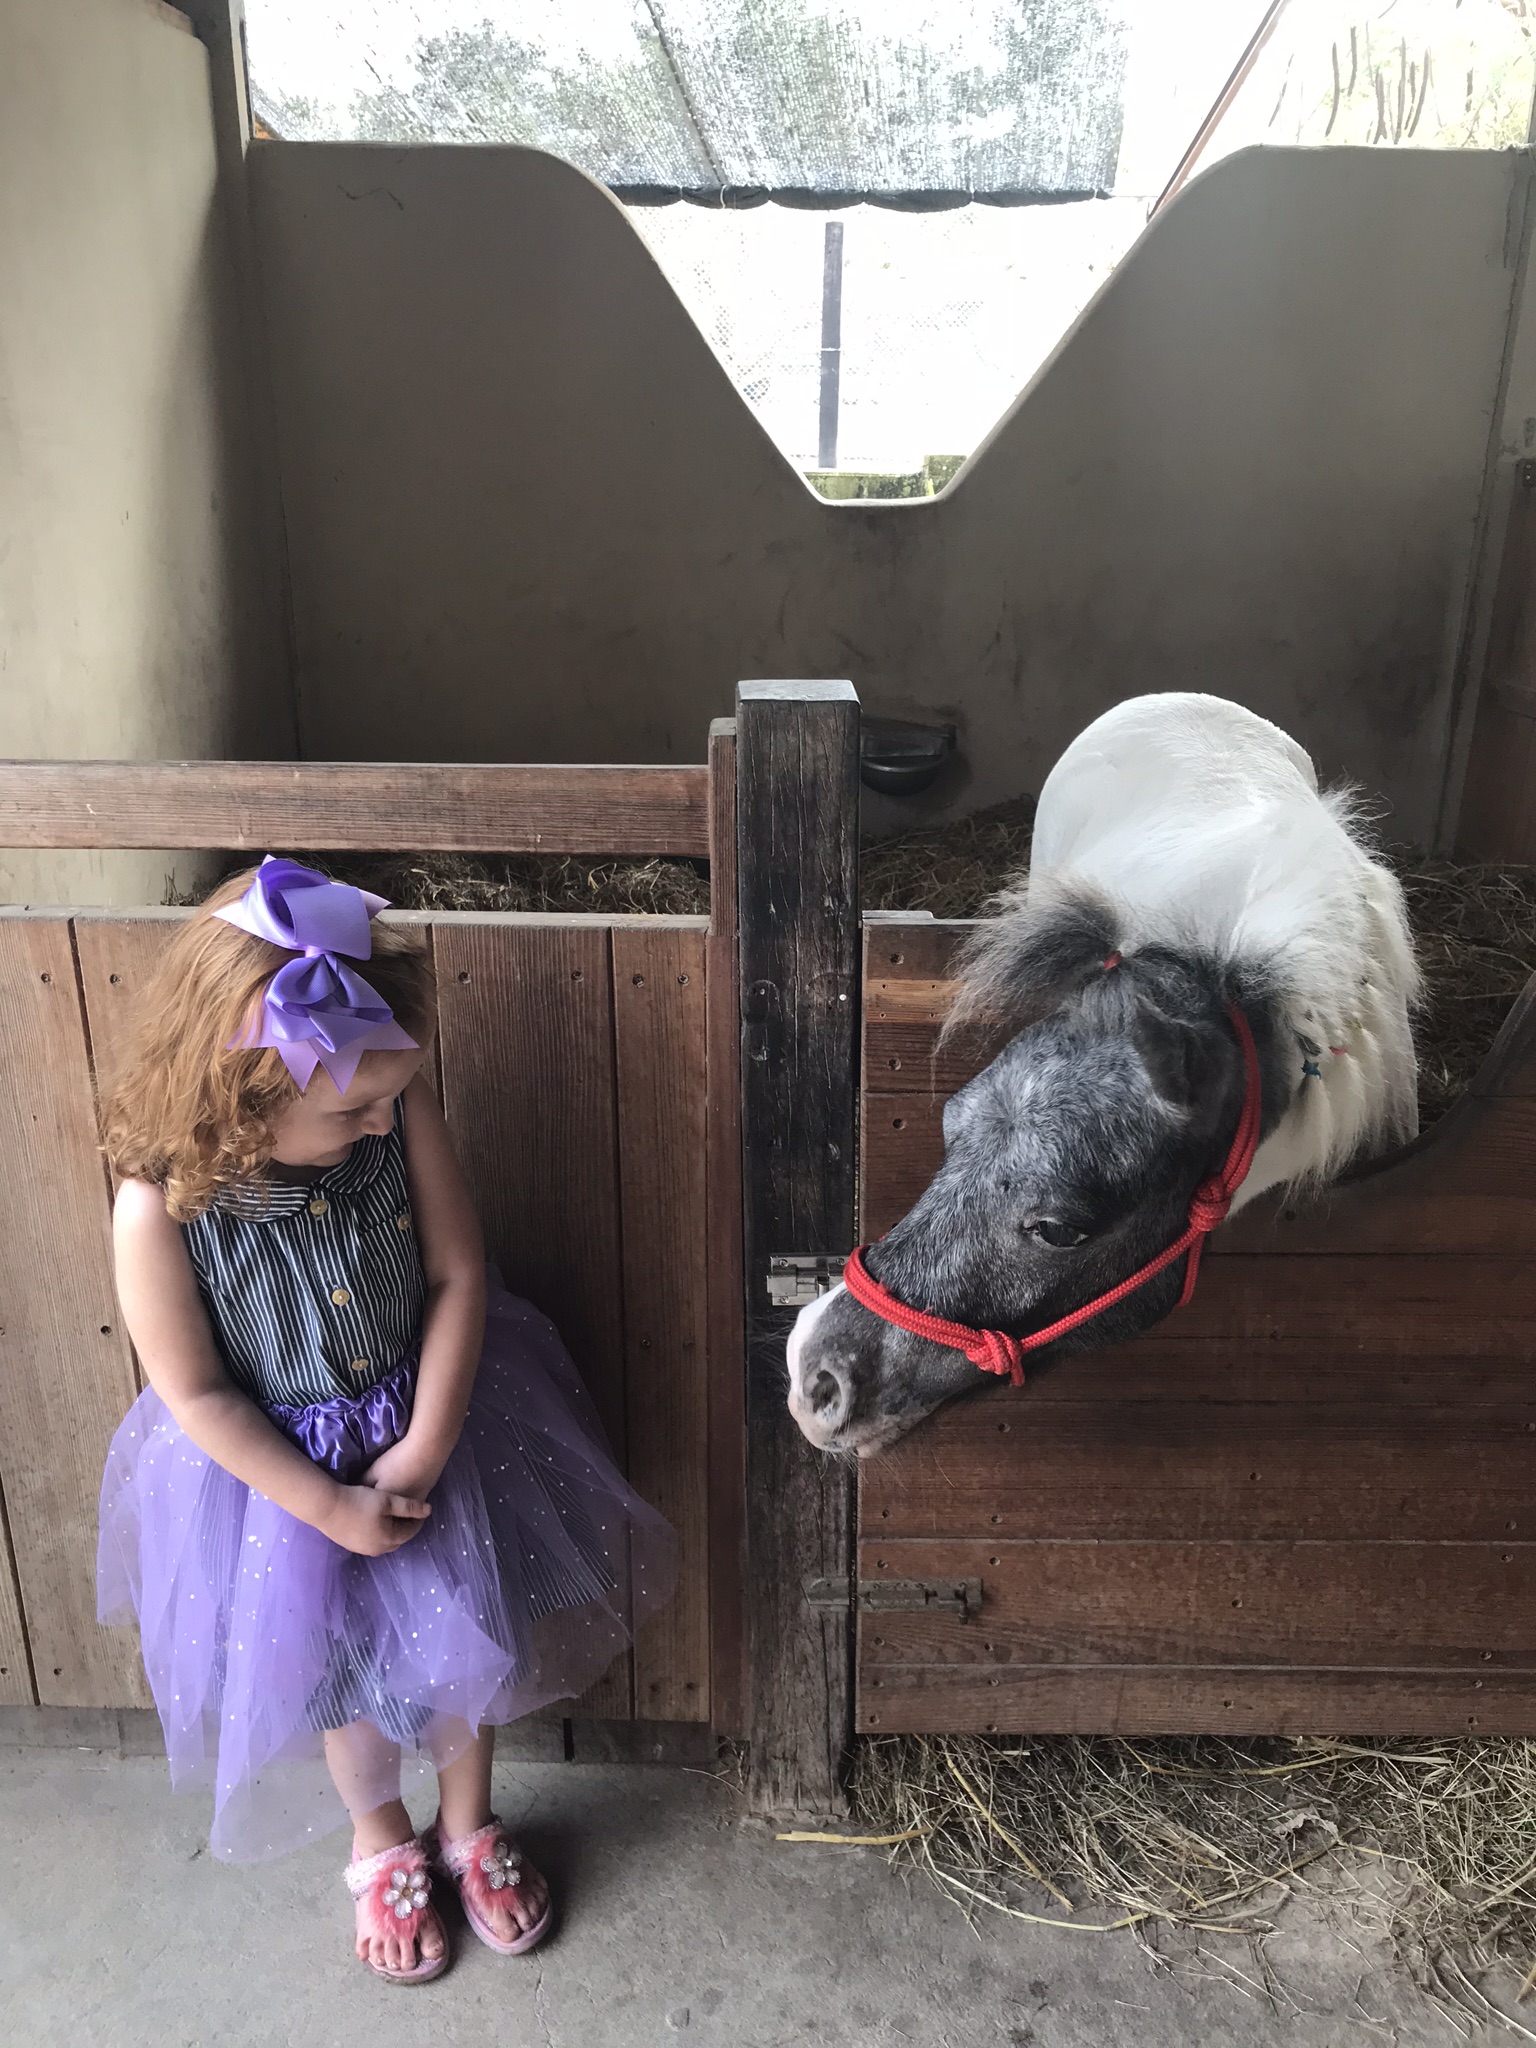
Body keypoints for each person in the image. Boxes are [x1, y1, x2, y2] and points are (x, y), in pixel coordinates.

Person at [97, 857, 675, 1983]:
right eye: (349, 1109)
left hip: (437, 1426)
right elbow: (195, 1393)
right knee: (342, 1680)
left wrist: (427, 1443)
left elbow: (458, 1274)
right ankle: (381, 1838)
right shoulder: (159, 1208)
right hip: (282, 1486)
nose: (378, 1121)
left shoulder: (392, 1107)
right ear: (245, 1093)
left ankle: (468, 1822)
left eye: (387, 1097)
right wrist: (328, 1506)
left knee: (468, 1642)